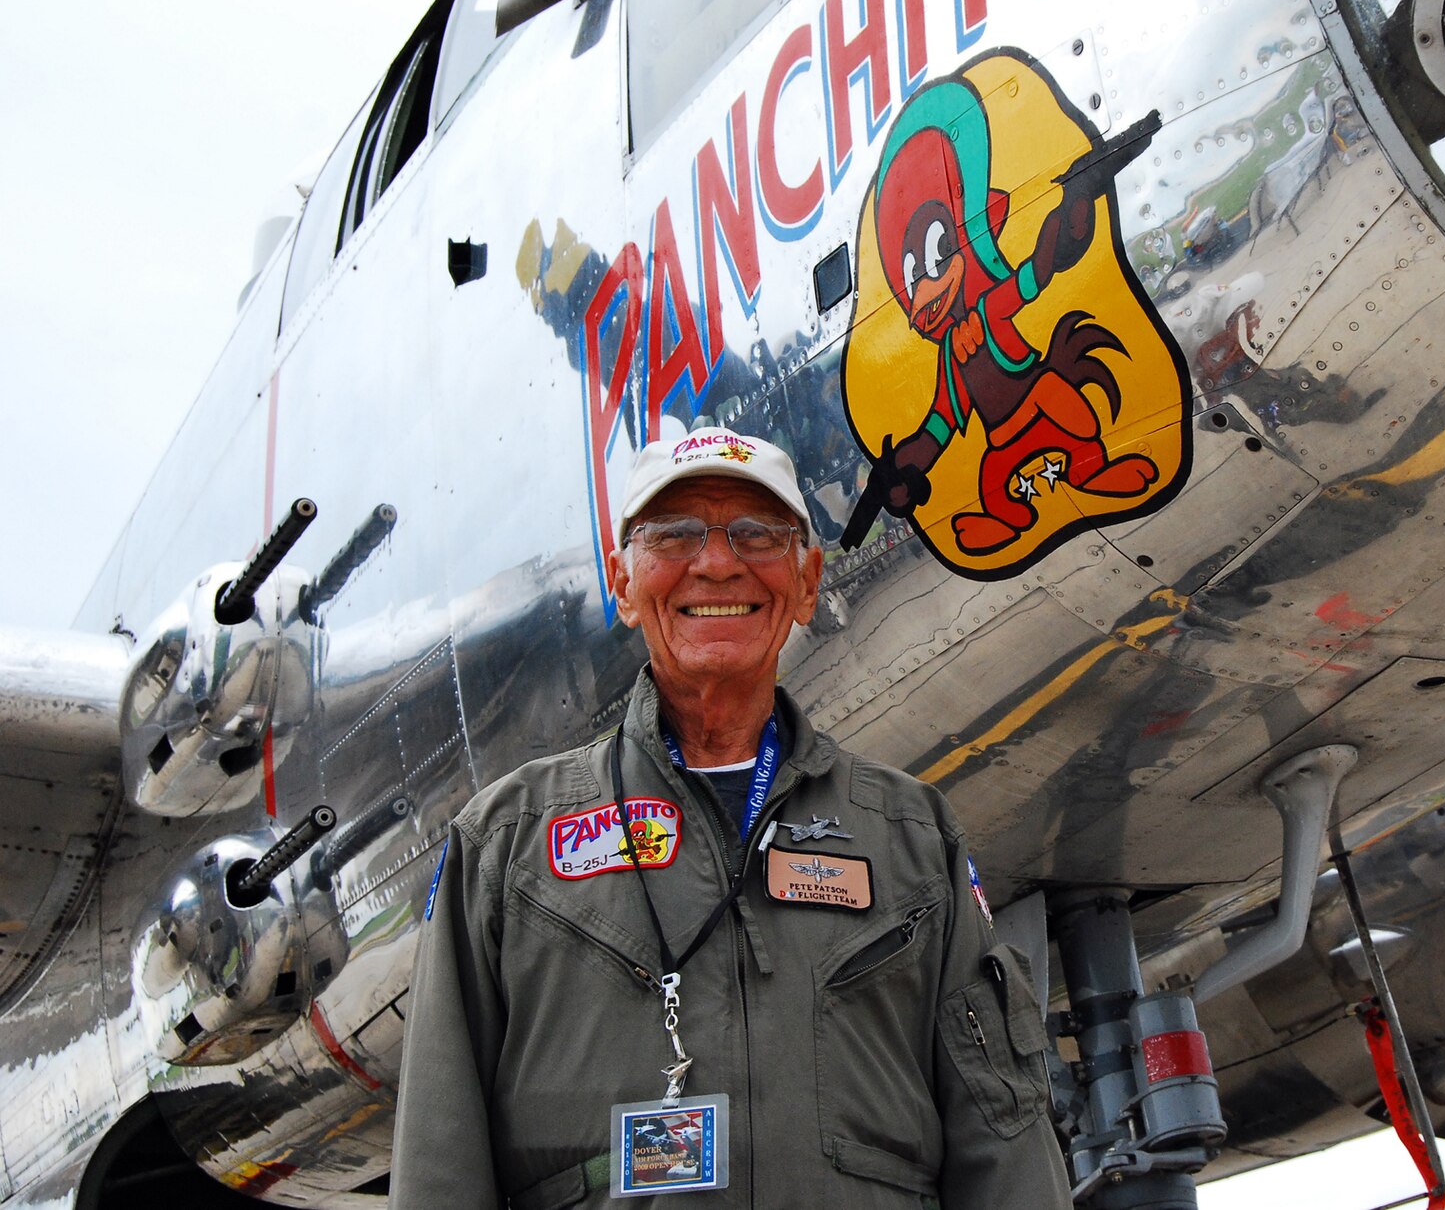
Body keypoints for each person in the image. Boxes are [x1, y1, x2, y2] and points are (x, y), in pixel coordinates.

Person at [390, 425, 1069, 1208]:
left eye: (758, 532)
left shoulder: (914, 840)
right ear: (622, 579)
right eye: (673, 534)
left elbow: (1004, 1147)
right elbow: (439, 1168)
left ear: (808, 580)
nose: (717, 560)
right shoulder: (505, 845)